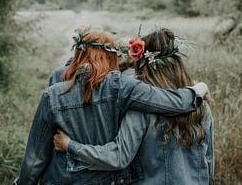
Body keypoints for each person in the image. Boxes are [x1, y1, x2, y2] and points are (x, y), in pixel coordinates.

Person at [15, 27, 209, 185]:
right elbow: (207, 160)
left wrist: (68, 146)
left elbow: (35, 156)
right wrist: (198, 90)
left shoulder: (53, 93)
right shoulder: (123, 87)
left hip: (62, 178)